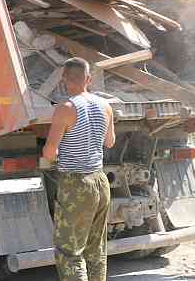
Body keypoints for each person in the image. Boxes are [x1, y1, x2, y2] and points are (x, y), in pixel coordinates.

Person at [42, 57, 115, 281]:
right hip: (100, 182)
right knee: (96, 250)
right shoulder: (106, 106)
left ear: (64, 80)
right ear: (88, 79)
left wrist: (51, 158)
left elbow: (49, 152)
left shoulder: (65, 109)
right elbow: (110, 142)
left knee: (70, 251)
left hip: (76, 185)